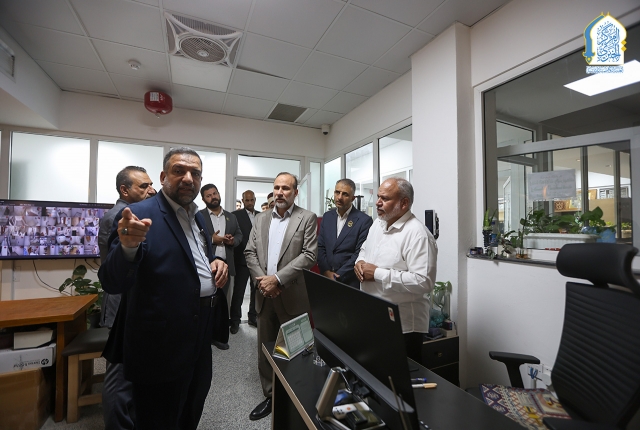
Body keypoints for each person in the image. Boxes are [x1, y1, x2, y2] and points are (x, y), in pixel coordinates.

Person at [98, 147, 229, 430]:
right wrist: (127, 248)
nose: (188, 178)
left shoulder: (197, 216)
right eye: (179, 171)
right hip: (160, 344)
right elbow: (112, 281)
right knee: (159, 416)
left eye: (195, 173)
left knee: (191, 406)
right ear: (163, 176)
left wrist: (215, 261)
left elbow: (193, 257)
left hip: (199, 334)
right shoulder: (139, 214)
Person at [245, 172, 317, 421]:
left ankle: (297, 396)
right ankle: (271, 395)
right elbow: (249, 252)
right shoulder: (261, 218)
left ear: (295, 192)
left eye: (286, 188)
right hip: (264, 295)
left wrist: (277, 279)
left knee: (296, 349)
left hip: (292, 295)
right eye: (276, 187)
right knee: (265, 348)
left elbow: (309, 255)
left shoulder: (306, 218)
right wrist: (265, 282)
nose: (280, 193)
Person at [354, 178, 437, 364]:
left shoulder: (418, 235)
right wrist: (360, 262)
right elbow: (365, 249)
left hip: (403, 328)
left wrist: (377, 274)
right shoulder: (378, 223)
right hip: (374, 318)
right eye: (378, 197)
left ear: (404, 203)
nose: (377, 202)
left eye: (384, 198)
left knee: (400, 380)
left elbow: (424, 281)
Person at [98, 166, 155, 430]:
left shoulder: (138, 213)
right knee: (119, 377)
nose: (151, 190)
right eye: (143, 186)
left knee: (132, 374)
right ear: (124, 190)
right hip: (122, 304)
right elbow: (113, 268)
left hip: (133, 303)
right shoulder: (119, 217)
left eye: (151, 185)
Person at [199, 183, 242, 348]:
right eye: (209, 195)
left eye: (215, 193)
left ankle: (218, 336)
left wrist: (232, 241)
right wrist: (212, 239)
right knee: (205, 303)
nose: (213, 197)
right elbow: (193, 237)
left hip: (226, 265)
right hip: (206, 266)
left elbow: (239, 234)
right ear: (203, 199)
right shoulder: (199, 216)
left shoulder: (231, 216)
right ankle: (204, 336)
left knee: (222, 302)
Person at [318, 178, 372, 289]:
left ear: (353, 198)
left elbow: (359, 252)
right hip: (326, 277)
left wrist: (338, 276)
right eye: (337, 192)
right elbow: (320, 246)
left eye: (345, 194)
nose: (339, 197)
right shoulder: (327, 217)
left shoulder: (364, 221)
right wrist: (326, 271)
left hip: (349, 281)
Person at [231, 190, 259, 330]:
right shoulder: (235, 215)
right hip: (241, 259)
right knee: (239, 291)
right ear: (242, 201)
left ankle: (253, 317)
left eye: (251, 200)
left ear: (255, 200)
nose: (249, 202)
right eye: (247, 200)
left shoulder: (261, 215)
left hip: (257, 261)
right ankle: (235, 320)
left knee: (256, 291)